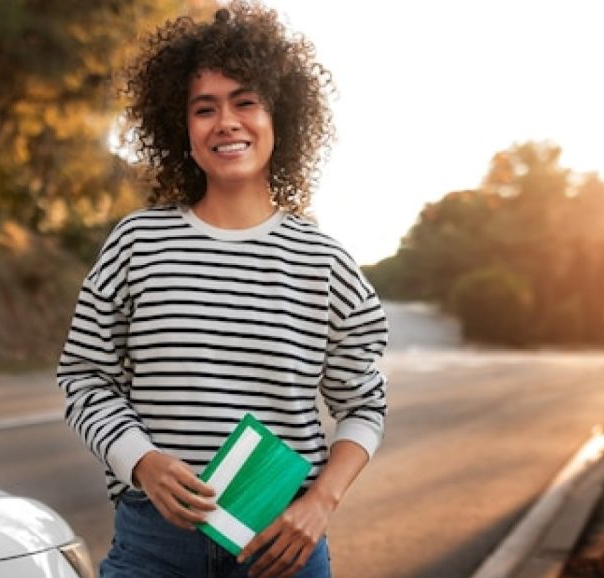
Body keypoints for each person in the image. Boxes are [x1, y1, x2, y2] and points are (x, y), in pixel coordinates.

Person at [56, 2, 389, 577]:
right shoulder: (138, 243)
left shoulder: (326, 262)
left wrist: (321, 502)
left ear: (279, 118)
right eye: (204, 108)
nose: (226, 122)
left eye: (246, 102)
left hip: (283, 547)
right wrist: (143, 461)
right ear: (181, 129)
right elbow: (84, 376)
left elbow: (363, 404)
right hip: (154, 547)